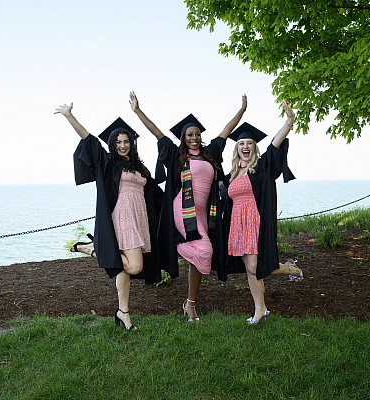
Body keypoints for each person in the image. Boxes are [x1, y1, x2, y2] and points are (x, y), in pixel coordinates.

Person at [129, 91, 247, 322]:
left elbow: (227, 130)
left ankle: (190, 304)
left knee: (199, 257)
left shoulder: (210, 152)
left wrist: (242, 110)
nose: (194, 137)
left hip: (203, 213)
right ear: (183, 138)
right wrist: (137, 111)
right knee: (205, 250)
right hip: (182, 209)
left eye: (197, 134)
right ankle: (169, 246)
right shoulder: (176, 154)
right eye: (189, 134)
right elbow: (157, 132)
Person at [55, 102, 162, 330]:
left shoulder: (138, 167)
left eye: (126, 142)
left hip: (139, 218)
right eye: (118, 142)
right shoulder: (109, 163)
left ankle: (123, 312)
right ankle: (94, 249)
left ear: (131, 144)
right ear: (112, 145)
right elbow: (90, 141)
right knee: (134, 267)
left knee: (124, 270)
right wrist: (69, 116)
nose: (122, 145)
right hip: (123, 218)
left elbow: (154, 192)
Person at [222, 100, 302, 325]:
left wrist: (288, 122)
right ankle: (260, 309)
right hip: (238, 223)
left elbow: (275, 145)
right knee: (249, 269)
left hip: (255, 221)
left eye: (249, 143)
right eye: (241, 143)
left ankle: (290, 268)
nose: (245, 146)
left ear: (254, 147)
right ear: (236, 148)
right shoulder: (232, 174)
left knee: (255, 266)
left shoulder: (261, 166)